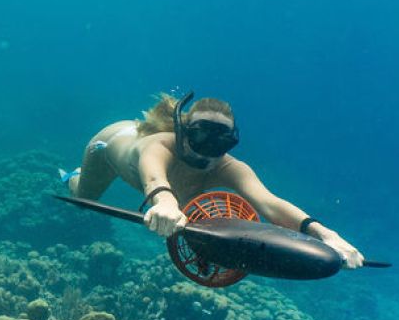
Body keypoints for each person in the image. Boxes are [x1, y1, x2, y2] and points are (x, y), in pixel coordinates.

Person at [61, 91, 365, 268]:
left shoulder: (227, 167)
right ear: (183, 131)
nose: (209, 152)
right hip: (110, 143)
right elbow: (154, 175)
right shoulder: (158, 144)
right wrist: (165, 203)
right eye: (201, 136)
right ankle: (74, 176)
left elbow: (270, 204)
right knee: (82, 200)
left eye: (220, 143)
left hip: (144, 165)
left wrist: (326, 235)